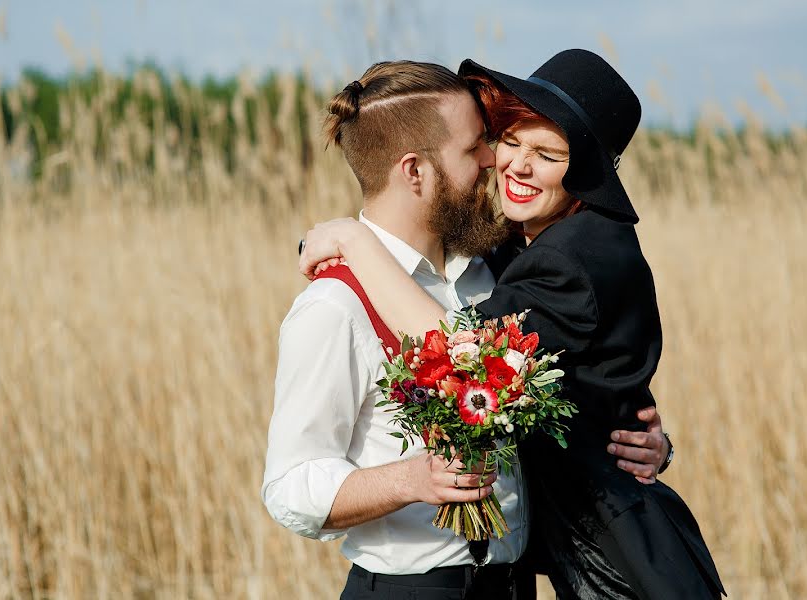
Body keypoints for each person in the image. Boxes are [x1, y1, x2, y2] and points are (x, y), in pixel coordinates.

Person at [298, 50, 725, 599]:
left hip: (613, 562)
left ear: (586, 173)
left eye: (547, 154)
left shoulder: (578, 255)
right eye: (511, 141)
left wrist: (354, 242)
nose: (515, 165)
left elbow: (468, 350)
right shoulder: (514, 244)